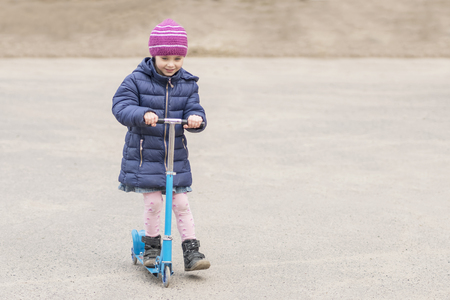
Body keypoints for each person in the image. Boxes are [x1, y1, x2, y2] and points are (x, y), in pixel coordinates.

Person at [112, 19, 210, 272]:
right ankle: (152, 247)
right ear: (154, 55)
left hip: (174, 156)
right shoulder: (136, 80)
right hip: (146, 155)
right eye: (165, 57)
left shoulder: (188, 83)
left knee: (180, 204)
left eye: (178, 58)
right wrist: (142, 112)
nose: (171, 64)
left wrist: (196, 119)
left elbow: (194, 108)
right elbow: (121, 106)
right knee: (154, 203)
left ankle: (192, 251)